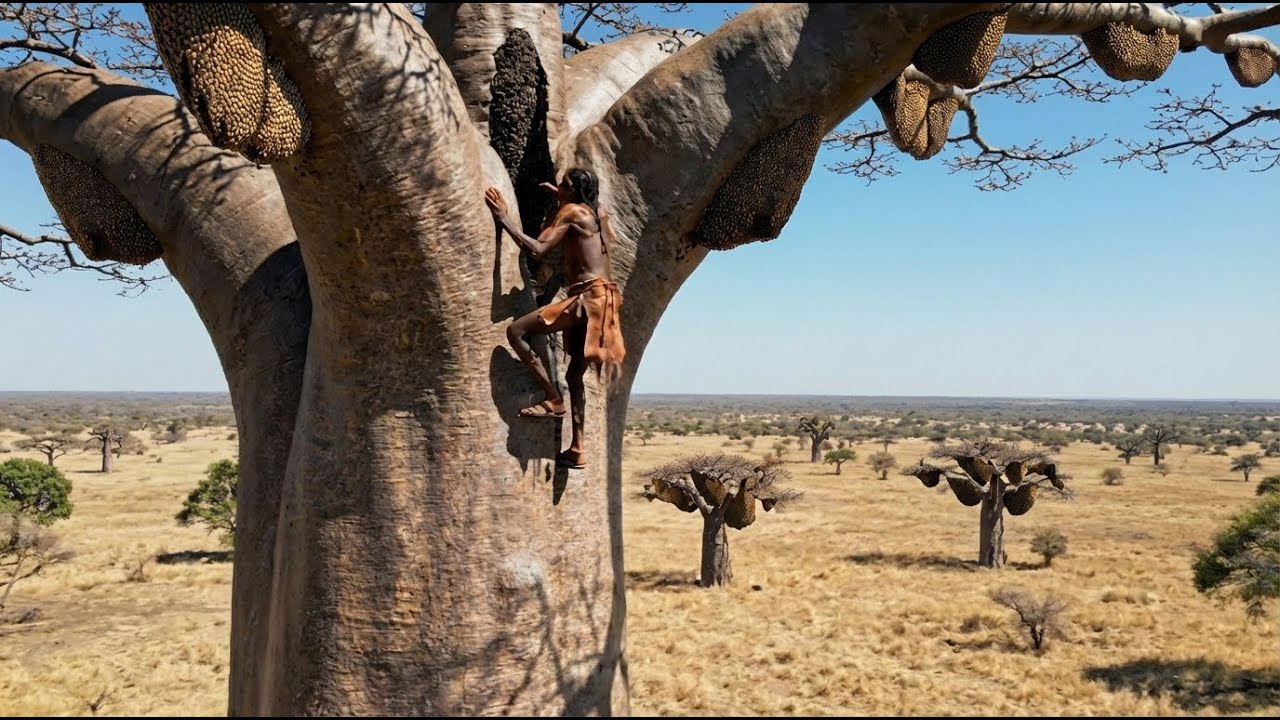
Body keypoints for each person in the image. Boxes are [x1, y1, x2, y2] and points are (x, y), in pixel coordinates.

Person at [485, 167, 625, 470]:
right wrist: (561, 197)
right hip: (607, 301)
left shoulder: (572, 212)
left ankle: (552, 398)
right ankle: (578, 448)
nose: (558, 186)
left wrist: (503, 218)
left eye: (564, 184)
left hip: (587, 299)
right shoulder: (597, 212)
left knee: (516, 332)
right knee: (575, 376)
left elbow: (538, 249)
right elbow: (599, 232)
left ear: (573, 191)